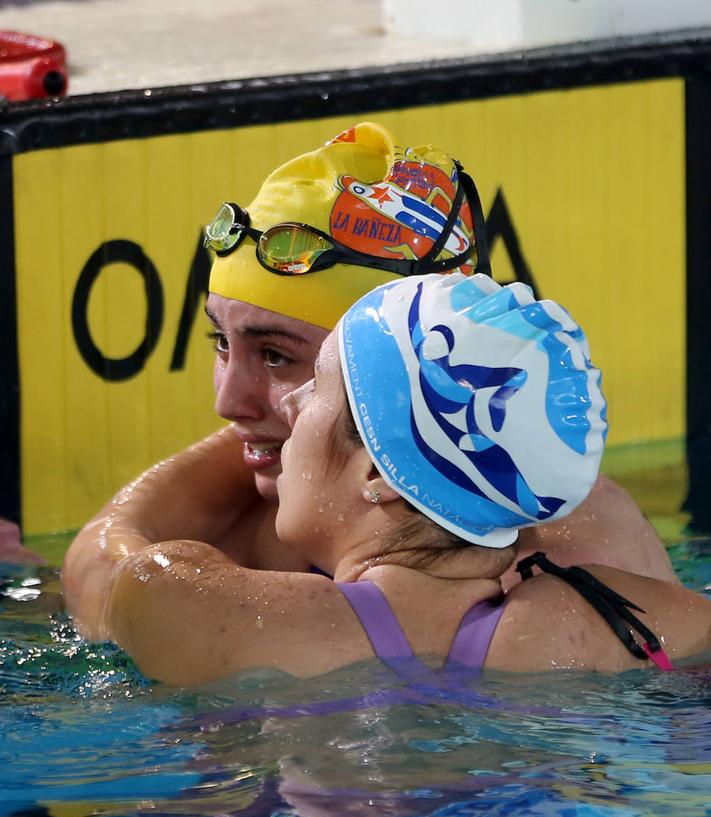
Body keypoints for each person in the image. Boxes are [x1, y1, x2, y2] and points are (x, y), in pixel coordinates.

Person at [62, 122, 676, 641]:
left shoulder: (572, 551)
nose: (228, 401)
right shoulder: (239, 518)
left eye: (277, 356)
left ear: (398, 379)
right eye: (221, 342)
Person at [101, 272, 711, 684]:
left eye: (317, 390)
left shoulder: (203, 608)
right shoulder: (634, 621)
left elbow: (120, 576)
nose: (288, 407)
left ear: (378, 472)